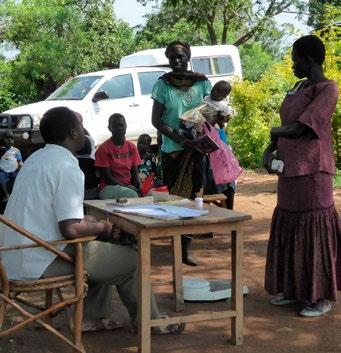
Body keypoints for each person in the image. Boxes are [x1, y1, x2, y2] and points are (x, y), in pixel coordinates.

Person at [0, 106, 185, 334]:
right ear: (74, 133)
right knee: (133, 262)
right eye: (79, 126)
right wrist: (102, 226)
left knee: (105, 251)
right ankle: (152, 324)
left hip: (11, 255)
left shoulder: (35, 159)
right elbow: (70, 229)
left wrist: (90, 224)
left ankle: (92, 317)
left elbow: (51, 213)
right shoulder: (67, 166)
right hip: (40, 259)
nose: (83, 130)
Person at [263, 35, 340, 317]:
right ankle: (295, 290)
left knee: (313, 227)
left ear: (308, 60)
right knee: (291, 223)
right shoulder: (298, 87)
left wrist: (274, 134)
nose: (293, 63)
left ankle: (320, 296)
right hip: (289, 169)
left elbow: (303, 128)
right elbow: (287, 125)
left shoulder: (328, 89)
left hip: (313, 170)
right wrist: (270, 150)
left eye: (296, 58)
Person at [151, 40, 212, 266]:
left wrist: (202, 131)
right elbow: (156, 120)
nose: (177, 61)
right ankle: (176, 245)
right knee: (176, 199)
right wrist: (180, 138)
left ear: (188, 56)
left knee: (195, 197)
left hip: (197, 150)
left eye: (181, 57)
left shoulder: (202, 82)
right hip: (173, 151)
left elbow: (211, 111)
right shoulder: (163, 85)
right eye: (172, 57)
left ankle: (185, 248)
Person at [95, 113, 141, 199]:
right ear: (109, 128)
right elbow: (108, 179)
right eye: (115, 126)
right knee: (132, 195)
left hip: (128, 186)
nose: (119, 128)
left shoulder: (131, 147)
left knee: (152, 194)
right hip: (108, 187)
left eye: (121, 125)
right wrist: (129, 188)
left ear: (126, 126)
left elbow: (135, 173)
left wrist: (138, 187)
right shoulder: (103, 149)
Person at [0, 131, 23, 202]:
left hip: (14, 170)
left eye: (11, 138)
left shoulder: (16, 150)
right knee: (1, 179)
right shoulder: (1, 150)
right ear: (2, 139)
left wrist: (21, 166)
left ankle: (15, 194)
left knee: (16, 181)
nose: (9, 140)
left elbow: (20, 161)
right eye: (7, 138)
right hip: (3, 170)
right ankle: (6, 194)